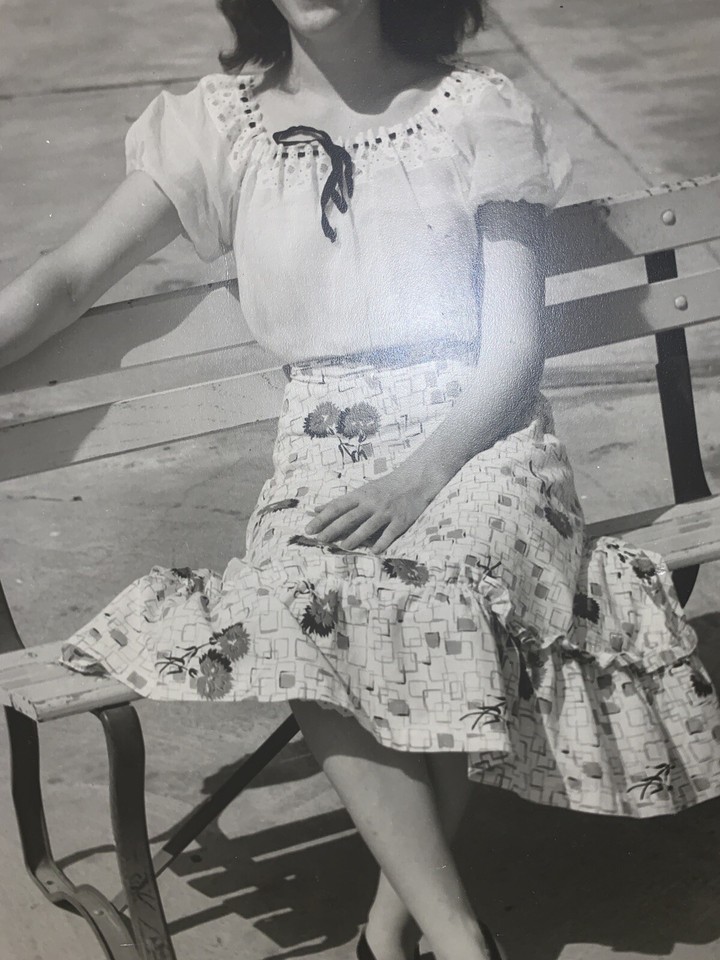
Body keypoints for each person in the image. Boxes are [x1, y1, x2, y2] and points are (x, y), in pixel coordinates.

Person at [2, 2, 720, 959]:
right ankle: (452, 932)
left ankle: (406, 928)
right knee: (304, 596)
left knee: (459, 584)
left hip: (481, 434)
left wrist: (419, 479)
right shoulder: (220, 126)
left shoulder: (477, 110)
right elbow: (70, 276)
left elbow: (512, 354)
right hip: (323, 443)